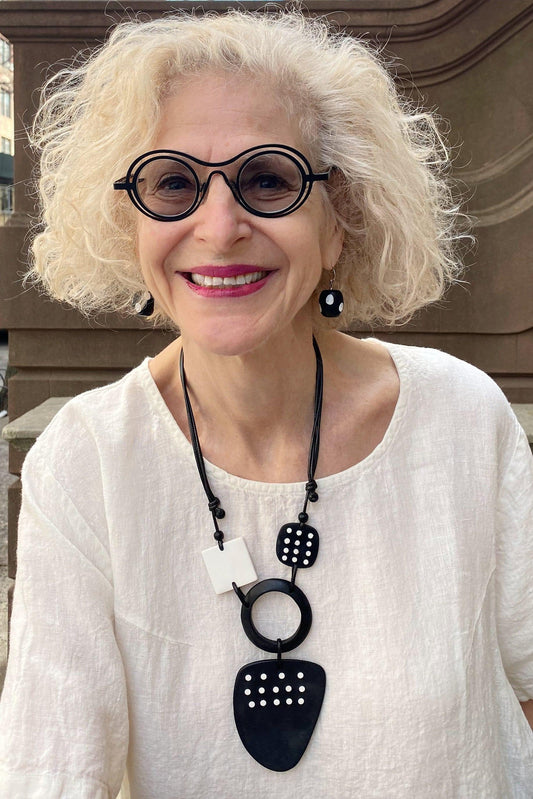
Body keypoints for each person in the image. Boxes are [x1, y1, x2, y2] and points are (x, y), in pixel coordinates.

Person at [0, 9, 532, 798]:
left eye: (268, 179)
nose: (218, 228)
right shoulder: (87, 464)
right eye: (173, 183)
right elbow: (51, 771)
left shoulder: (462, 419)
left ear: (340, 221)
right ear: (129, 222)